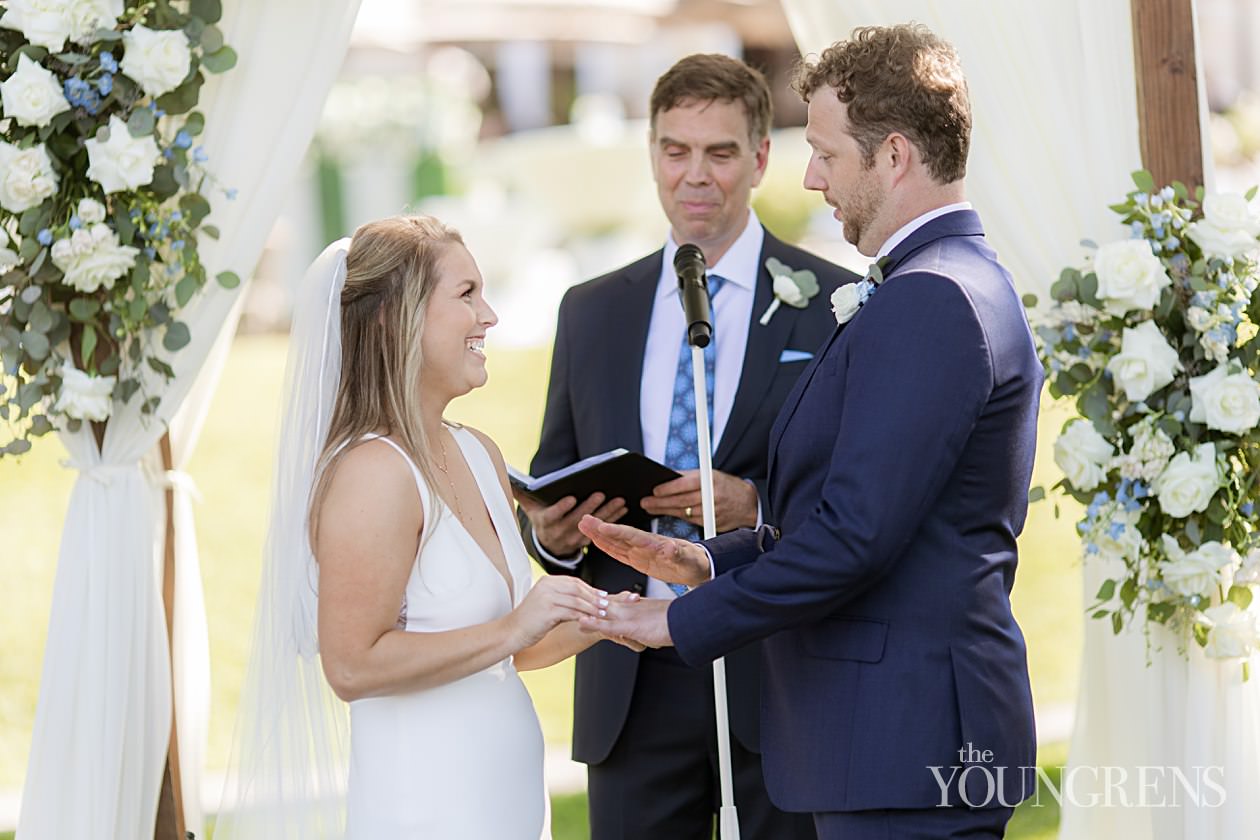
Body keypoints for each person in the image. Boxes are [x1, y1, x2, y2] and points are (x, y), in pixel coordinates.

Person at [578, 24, 1043, 839]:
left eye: (826, 153)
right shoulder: (948, 282)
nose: (810, 176)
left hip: (905, 738)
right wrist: (711, 559)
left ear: (893, 156)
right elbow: (863, 513)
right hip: (898, 737)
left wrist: (678, 618)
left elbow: (857, 536)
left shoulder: (931, 299)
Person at [216, 215, 639, 840]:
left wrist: (606, 617)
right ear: (395, 315)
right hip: (426, 810)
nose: (489, 316)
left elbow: (508, 649)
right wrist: (514, 624)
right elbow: (352, 666)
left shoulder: (480, 453)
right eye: (466, 294)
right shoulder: (372, 472)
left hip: (509, 808)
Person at [516, 54, 851, 839]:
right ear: (653, 154)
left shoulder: (834, 305)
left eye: (720, 152)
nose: (695, 175)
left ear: (763, 158)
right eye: (676, 150)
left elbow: (856, 498)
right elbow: (554, 474)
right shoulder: (591, 310)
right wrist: (555, 536)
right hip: (628, 677)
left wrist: (755, 503)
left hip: (775, 670)